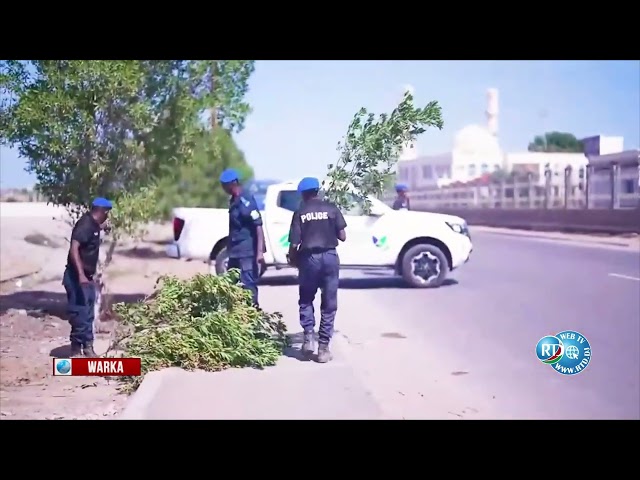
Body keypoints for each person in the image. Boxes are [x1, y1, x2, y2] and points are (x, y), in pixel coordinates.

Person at [287, 177, 347, 363]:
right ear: (318, 191)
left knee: (306, 298)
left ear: (303, 194)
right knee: (329, 304)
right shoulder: (331, 208)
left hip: (309, 259)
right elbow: (343, 236)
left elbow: (294, 243)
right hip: (329, 258)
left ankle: (308, 339)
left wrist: (292, 258)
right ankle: (323, 348)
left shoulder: (300, 213)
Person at [63, 197, 112, 358]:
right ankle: (78, 350)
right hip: (77, 277)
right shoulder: (84, 225)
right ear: (102, 211)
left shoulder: (93, 224)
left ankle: (85, 348)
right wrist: (81, 275)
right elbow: (74, 249)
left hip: (87, 277)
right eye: (107, 213)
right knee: (79, 314)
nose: (107, 216)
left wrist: (103, 227)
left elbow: (94, 231)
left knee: (87, 314)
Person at [219, 168, 266, 307]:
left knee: (248, 286)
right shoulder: (233, 200)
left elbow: (258, 226)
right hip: (235, 251)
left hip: (247, 251)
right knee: (231, 286)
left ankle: (252, 316)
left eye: (224, 186)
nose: (223, 189)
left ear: (233, 183)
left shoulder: (247, 200)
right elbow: (233, 228)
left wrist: (259, 253)